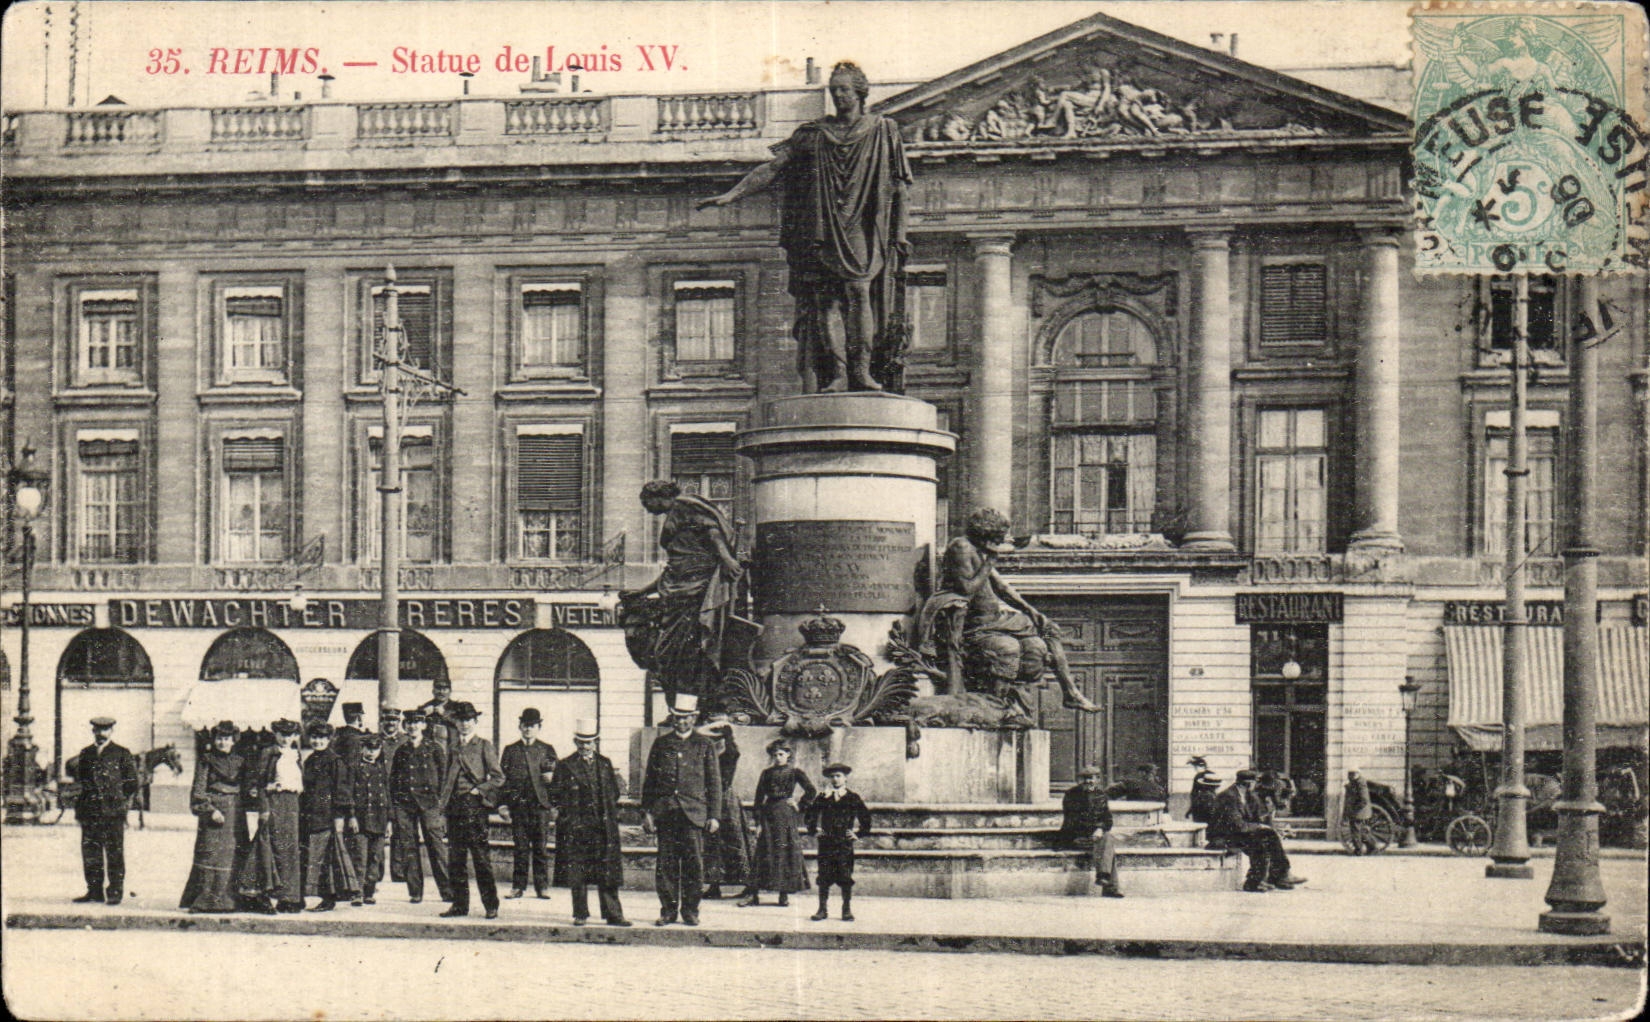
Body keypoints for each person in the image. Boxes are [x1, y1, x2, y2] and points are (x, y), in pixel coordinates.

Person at [697, 60, 911, 393]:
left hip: (860, 225)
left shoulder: (883, 130)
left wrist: (899, 233)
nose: (838, 96)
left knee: (858, 291)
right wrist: (732, 194)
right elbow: (773, 168)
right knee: (825, 301)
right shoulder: (813, 134)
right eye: (834, 90)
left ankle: (861, 370)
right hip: (821, 227)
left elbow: (899, 185)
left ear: (860, 92)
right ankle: (838, 373)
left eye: (844, 89)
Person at [916, 508, 1100, 713]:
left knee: (1048, 628)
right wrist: (990, 561)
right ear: (986, 533)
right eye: (999, 536)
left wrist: (1032, 611)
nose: (1001, 540)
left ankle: (1070, 692)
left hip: (997, 620)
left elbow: (1002, 588)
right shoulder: (961, 547)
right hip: (977, 624)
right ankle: (1000, 705)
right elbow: (967, 588)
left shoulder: (978, 549)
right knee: (1009, 649)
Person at [622, 480, 743, 709]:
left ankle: (693, 707)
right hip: (680, 591)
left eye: (646, 503)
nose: (647, 509)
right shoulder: (676, 515)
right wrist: (641, 591)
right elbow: (671, 573)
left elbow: (712, 531)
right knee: (670, 654)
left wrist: (727, 559)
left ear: (658, 496)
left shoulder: (683, 505)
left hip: (694, 590)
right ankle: (684, 708)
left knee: (680, 653)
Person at [641, 694, 723, 926]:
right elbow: (650, 780)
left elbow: (714, 782)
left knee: (693, 865)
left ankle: (690, 910)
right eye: (678, 717)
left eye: (686, 718)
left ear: (694, 718)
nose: (682, 722)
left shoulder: (705, 745)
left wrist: (714, 815)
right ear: (673, 718)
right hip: (666, 813)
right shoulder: (662, 743)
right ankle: (668, 911)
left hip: (693, 815)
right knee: (666, 865)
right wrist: (647, 812)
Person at [550, 718, 632, 927]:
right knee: (578, 872)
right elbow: (555, 795)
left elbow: (614, 792)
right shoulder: (565, 765)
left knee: (608, 872)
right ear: (575, 742)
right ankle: (580, 913)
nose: (585, 746)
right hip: (577, 827)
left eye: (589, 742)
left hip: (602, 827)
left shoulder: (604, 763)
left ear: (596, 742)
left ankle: (613, 914)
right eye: (581, 742)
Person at [438, 701, 504, 919]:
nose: (465, 724)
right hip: (455, 808)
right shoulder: (453, 747)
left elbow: (498, 777)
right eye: (461, 720)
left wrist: (479, 790)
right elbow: (447, 780)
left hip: (474, 808)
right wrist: (443, 808)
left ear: (475, 722)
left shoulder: (484, 745)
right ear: (456, 723)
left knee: (480, 859)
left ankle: (491, 905)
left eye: (468, 720)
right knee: (456, 860)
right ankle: (459, 905)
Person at [67, 716, 139, 906]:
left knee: (114, 852)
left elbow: (132, 783)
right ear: (93, 731)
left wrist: (118, 800)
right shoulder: (86, 753)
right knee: (91, 852)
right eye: (98, 730)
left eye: (105, 730)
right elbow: (82, 781)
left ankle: (115, 892)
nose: (101, 733)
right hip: (90, 811)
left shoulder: (121, 753)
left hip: (113, 812)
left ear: (111, 731)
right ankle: (94, 891)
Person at [738, 739, 815, 907]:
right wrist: (758, 822)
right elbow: (758, 798)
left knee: (784, 851)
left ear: (788, 755)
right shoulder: (766, 773)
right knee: (763, 851)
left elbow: (811, 791)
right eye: (775, 755)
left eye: (781, 754)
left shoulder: (795, 772)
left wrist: (799, 805)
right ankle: (753, 894)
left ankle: (783, 894)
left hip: (785, 815)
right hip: (768, 814)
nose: (778, 757)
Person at [239, 718, 304, 913]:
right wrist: (264, 809)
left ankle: (288, 897)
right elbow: (259, 783)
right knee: (269, 847)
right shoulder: (268, 753)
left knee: (289, 852)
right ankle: (262, 895)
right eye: (282, 734)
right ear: (275, 734)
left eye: (290, 735)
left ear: (295, 736)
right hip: (274, 803)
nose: (286, 738)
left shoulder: (296, 754)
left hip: (292, 806)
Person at [1207, 769, 1306, 893]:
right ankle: (1257, 882)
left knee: (1268, 836)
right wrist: (1260, 827)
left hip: (1239, 833)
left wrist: (1274, 828)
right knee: (1259, 842)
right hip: (1223, 836)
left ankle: (1278, 876)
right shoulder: (1228, 796)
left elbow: (1258, 817)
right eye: (1254, 782)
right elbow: (1237, 825)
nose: (1256, 785)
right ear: (1247, 783)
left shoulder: (1249, 796)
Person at [181, 721, 245, 913]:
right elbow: (198, 791)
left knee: (231, 855)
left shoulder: (240, 761)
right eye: (219, 738)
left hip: (235, 814)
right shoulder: (206, 760)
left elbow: (247, 786)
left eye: (227, 739)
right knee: (209, 853)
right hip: (214, 815)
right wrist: (210, 810)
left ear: (233, 741)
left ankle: (228, 901)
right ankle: (204, 901)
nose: (222, 742)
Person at [390, 710, 452, 904]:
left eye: (417, 722)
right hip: (405, 805)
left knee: (436, 846)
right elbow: (393, 780)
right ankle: (415, 891)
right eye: (409, 723)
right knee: (408, 847)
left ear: (424, 725)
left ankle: (447, 890)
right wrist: (396, 806)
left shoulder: (434, 748)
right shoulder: (401, 750)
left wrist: (441, 805)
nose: (413, 726)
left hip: (430, 803)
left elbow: (444, 778)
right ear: (404, 726)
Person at [499, 707, 557, 899]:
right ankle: (518, 886)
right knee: (520, 848)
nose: (528, 729)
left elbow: (557, 779)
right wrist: (503, 805)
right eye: (525, 725)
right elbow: (503, 780)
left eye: (532, 725)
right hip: (519, 807)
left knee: (540, 848)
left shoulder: (547, 749)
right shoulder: (510, 750)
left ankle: (542, 887)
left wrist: (553, 780)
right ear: (520, 726)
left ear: (539, 727)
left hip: (540, 806)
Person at [300, 721, 356, 911]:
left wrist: (340, 816)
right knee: (315, 857)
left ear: (329, 739)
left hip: (328, 817)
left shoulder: (335, 761)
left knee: (328, 859)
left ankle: (329, 897)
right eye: (314, 737)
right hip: (311, 816)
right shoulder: (309, 761)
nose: (318, 741)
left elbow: (342, 791)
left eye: (322, 738)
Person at [805, 763, 873, 921]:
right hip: (826, 843)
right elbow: (810, 815)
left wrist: (858, 833)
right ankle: (822, 909)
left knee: (845, 876)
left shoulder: (852, 797)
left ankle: (846, 910)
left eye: (838, 776)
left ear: (845, 778)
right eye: (832, 776)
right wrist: (814, 830)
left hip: (844, 844)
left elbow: (866, 818)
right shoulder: (823, 797)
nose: (835, 779)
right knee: (824, 877)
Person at [699, 713, 753, 900]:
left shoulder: (730, 753)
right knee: (713, 843)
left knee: (735, 841)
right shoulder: (710, 751)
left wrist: (723, 727)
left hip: (726, 800)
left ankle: (749, 884)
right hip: (711, 799)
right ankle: (714, 884)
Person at [1056, 765, 1123, 898]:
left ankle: (1104, 878)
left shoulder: (1101, 795)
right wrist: (1094, 829)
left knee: (1107, 839)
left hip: (1095, 838)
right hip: (1076, 837)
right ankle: (1109, 884)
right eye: (1085, 778)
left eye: (1091, 778)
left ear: (1097, 780)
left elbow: (1108, 820)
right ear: (1079, 780)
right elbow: (1072, 820)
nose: (1088, 781)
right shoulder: (1071, 795)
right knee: (1108, 847)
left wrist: (1100, 829)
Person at [344, 733, 393, 904]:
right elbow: (349, 794)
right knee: (360, 857)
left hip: (379, 820)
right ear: (362, 748)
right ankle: (357, 892)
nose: (372, 752)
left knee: (375, 858)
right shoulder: (354, 768)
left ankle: (369, 892)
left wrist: (389, 821)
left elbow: (387, 795)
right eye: (368, 748)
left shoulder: (381, 769)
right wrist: (352, 816)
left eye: (375, 749)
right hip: (361, 820)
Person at [417, 679, 458, 754]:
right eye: (438, 689)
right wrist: (423, 715)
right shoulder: (425, 707)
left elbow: (462, 724)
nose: (441, 692)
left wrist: (444, 714)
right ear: (433, 691)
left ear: (450, 691)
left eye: (444, 689)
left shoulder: (457, 708)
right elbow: (414, 727)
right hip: (429, 750)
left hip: (451, 749)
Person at [1343, 766, 1375, 856]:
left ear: (1358, 774)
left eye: (1353, 774)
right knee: (1359, 831)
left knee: (1356, 831)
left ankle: (1359, 850)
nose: (1351, 776)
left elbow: (1364, 800)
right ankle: (1371, 846)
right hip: (1356, 812)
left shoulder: (1360, 783)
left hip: (1359, 812)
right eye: (1350, 774)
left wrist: (1354, 809)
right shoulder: (1353, 783)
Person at [1187, 756, 1221, 824]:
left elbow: (1194, 793)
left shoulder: (1199, 776)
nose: (1195, 769)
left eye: (1196, 767)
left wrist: (1191, 809)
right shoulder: (1211, 774)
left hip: (1199, 809)